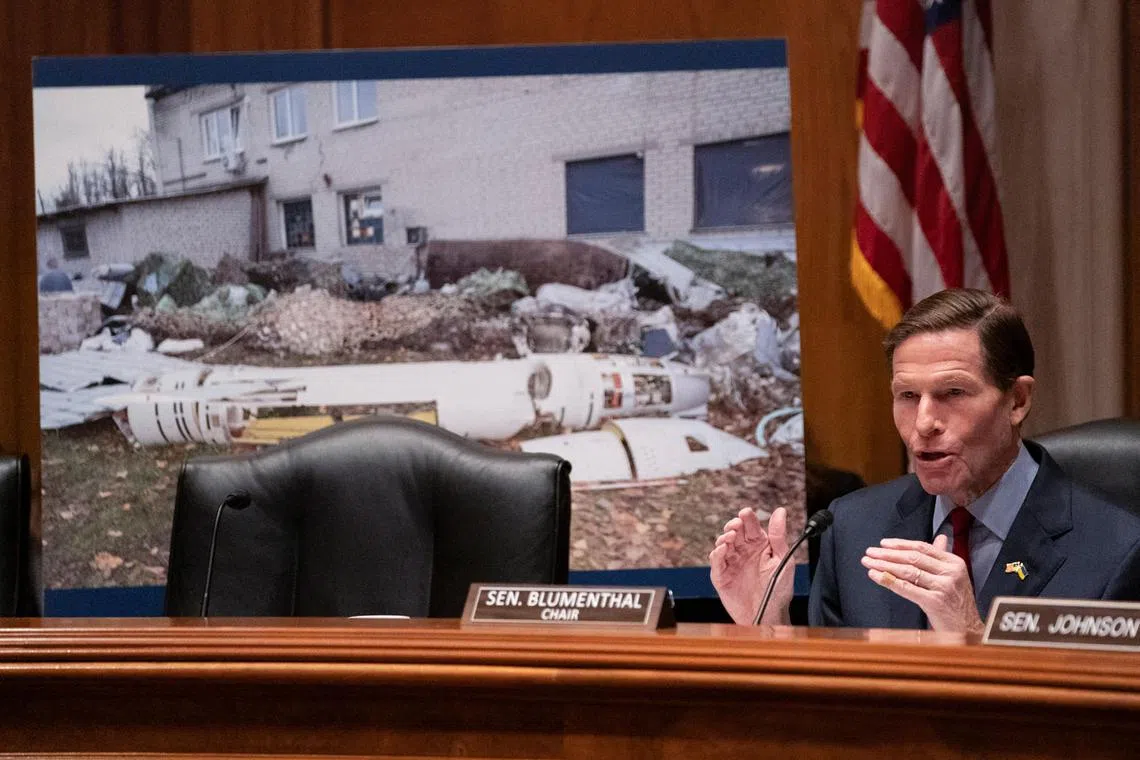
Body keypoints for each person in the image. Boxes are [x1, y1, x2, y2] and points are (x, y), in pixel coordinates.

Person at [710, 288, 1140, 633]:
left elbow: (1099, 732)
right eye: (907, 396)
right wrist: (765, 623)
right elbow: (832, 714)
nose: (925, 422)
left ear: (1018, 401)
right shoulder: (854, 527)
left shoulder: (1117, 550)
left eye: (953, 393)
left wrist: (969, 636)